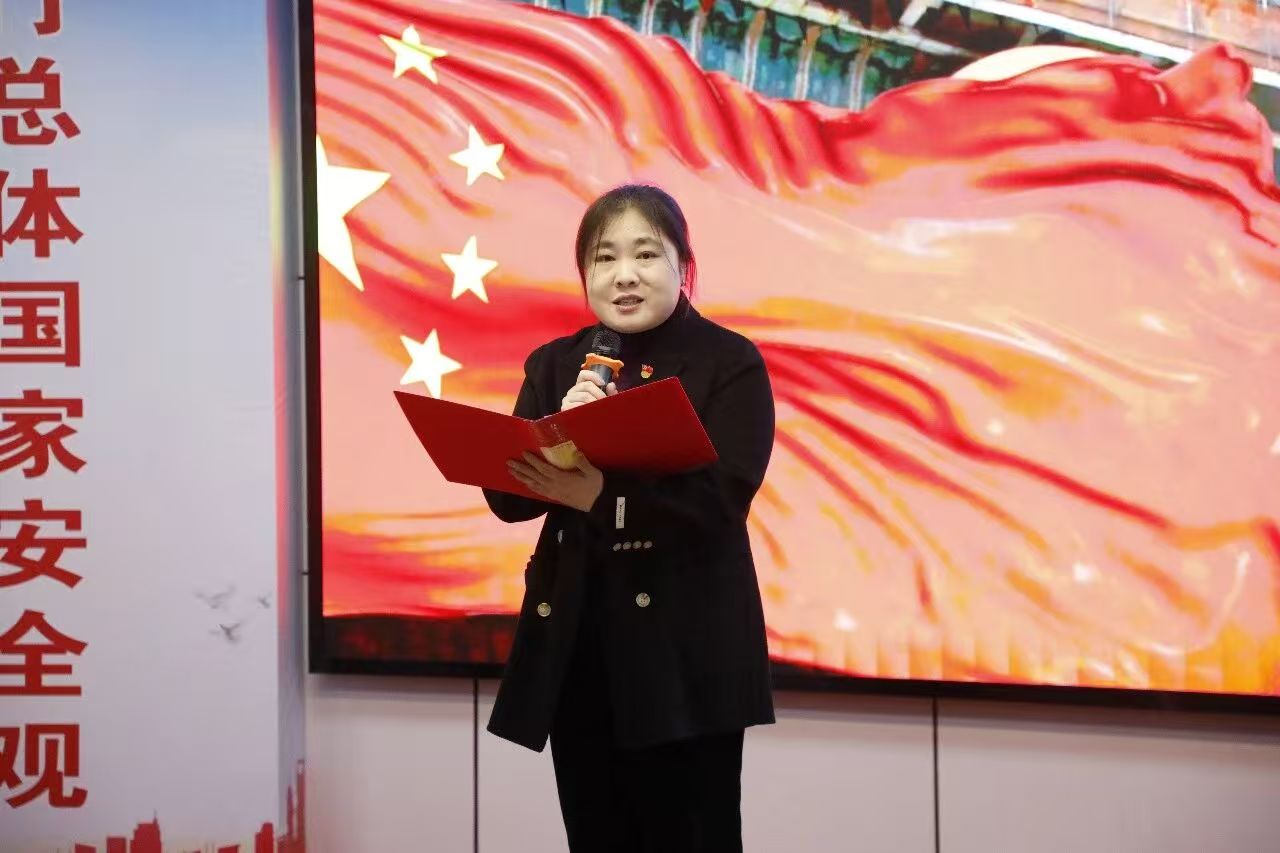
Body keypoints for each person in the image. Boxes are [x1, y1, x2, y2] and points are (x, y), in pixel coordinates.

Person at [482, 184, 775, 852]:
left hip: (686, 659)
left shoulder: (729, 362)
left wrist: (600, 495)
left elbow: (721, 499)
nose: (624, 275)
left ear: (683, 265)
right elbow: (509, 498)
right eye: (604, 257)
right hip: (578, 649)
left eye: (645, 254)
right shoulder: (557, 363)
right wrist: (559, 433)